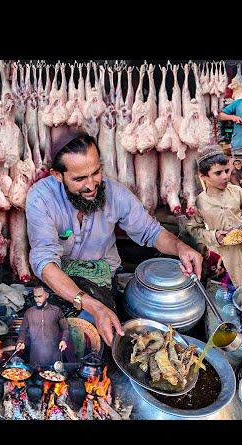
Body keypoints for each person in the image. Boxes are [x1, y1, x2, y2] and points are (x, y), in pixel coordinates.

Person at [25, 130, 202, 346]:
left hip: (100, 276)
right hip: (58, 277)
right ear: (57, 175)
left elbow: (151, 232)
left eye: (96, 172)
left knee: (93, 340)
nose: (91, 185)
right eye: (79, 178)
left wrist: (180, 247)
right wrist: (92, 305)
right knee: (47, 336)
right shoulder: (41, 197)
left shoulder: (114, 193)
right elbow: (44, 262)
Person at [185, 146, 242, 286]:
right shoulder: (199, 202)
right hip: (227, 253)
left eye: (226, 171)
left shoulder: (237, 191)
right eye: (218, 173)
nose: (225, 176)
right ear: (203, 176)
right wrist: (214, 235)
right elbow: (194, 230)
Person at [16, 285, 72, 369]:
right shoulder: (29, 312)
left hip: (53, 355)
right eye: (35, 297)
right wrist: (21, 341)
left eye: (40, 296)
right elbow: (23, 329)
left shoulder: (56, 311)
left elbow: (65, 328)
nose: (37, 299)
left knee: (53, 377)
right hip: (35, 355)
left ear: (47, 295)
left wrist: (64, 340)